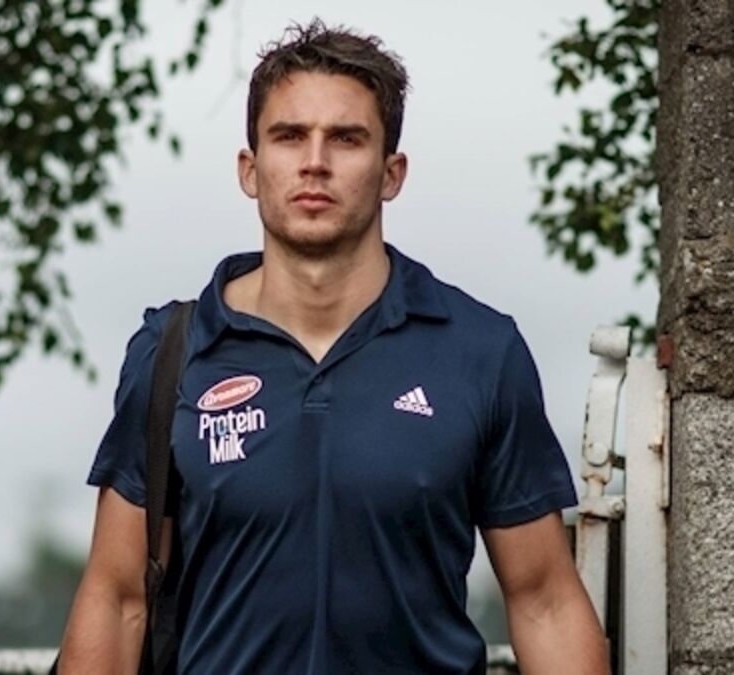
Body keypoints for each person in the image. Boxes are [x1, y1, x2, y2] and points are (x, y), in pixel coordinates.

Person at [58, 18, 608, 675]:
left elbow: (544, 600)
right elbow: (118, 598)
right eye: (289, 136)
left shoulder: (480, 352)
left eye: (346, 139)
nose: (314, 162)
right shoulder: (173, 352)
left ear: (391, 173)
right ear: (250, 169)